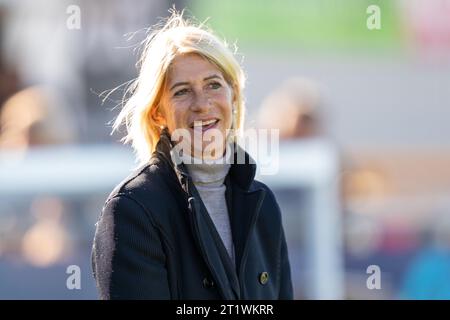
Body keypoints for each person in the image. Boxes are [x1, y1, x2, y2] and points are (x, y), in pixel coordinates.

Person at [91, 10, 293, 300]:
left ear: (233, 95)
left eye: (213, 85)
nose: (202, 104)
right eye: (182, 92)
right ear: (158, 112)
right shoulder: (133, 210)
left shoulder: (264, 204)